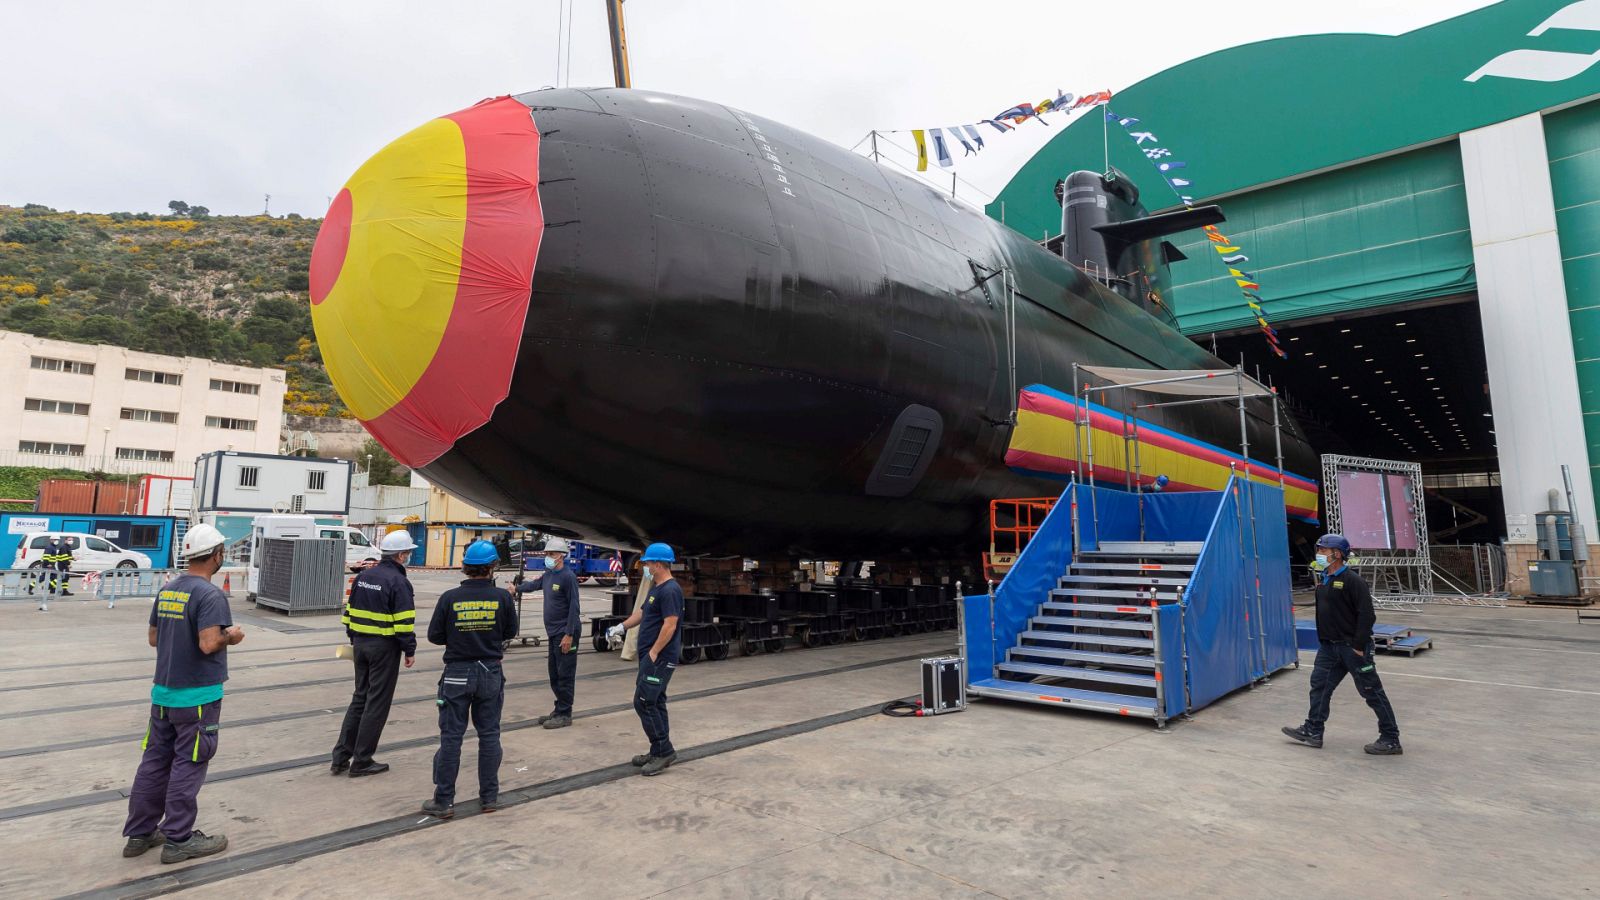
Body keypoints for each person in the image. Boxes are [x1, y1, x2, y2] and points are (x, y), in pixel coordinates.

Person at [120, 523, 242, 864]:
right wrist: (231, 636)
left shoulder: (169, 590)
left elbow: (153, 638)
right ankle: (179, 839)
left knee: (155, 762)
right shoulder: (210, 595)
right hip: (197, 698)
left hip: (163, 695)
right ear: (216, 555)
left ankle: (140, 833)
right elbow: (208, 643)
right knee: (189, 763)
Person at [1282, 534, 1403, 755]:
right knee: (1320, 687)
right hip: (1329, 648)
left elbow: (1367, 615)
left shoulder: (1353, 581)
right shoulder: (1324, 579)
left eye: (1323, 550)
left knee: (1371, 691)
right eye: (1319, 550)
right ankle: (1313, 730)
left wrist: (1358, 645)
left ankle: (1390, 738)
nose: (1319, 554)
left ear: (1337, 554)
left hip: (1352, 648)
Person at [422, 540, 517, 819]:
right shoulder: (502, 598)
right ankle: (489, 798)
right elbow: (510, 631)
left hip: (457, 674)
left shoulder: (449, 598)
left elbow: (434, 636)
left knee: (451, 737)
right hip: (490, 672)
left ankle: (444, 802)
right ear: (492, 567)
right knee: (489, 736)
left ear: (465, 567)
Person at [331, 530, 418, 777]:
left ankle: (340, 758)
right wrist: (409, 649)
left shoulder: (363, 577)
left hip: (360, 645)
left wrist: (355, 639)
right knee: (376, 703)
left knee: (360, 698)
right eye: (408, 553)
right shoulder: (398, 582)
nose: (408, 557)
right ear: (401, 555)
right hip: (384, 648)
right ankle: (362, 760)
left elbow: (349, 614)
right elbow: (404, 622)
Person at [606, 542, 683, 776]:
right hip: (651, 657)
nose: (645, 567)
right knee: (656, 701)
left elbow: (670, 625)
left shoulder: (670, 590)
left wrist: (654, 652)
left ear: (658, 564)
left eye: (648, 563)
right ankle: (658, 749)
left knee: (644, 701)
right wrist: (621, 626)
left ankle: (664, 751)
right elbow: (641, 613)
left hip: (659, 658)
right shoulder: (656, 587)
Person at [514, 536, 582, 729]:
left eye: (551, 554)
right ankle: (559, 708)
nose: (548, 557)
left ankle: (565, 713)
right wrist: (516, 588)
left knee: (565, 674)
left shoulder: (568, 577)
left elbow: (574, 608)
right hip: (553, 632)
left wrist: (569, 634)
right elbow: (533, 585)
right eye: (547, 554)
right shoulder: (549, 574)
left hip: (565, 632)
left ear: (561, 556)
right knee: (554, 674)